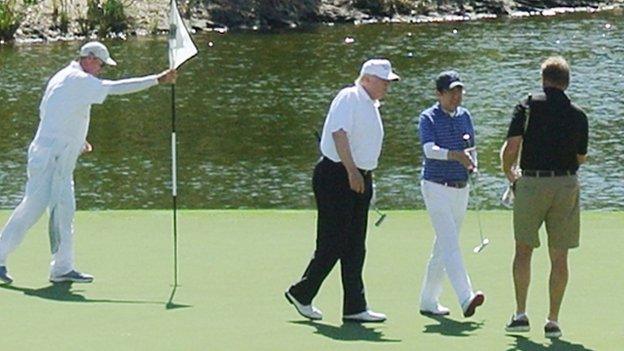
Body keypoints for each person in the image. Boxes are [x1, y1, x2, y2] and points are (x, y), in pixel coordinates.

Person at [0, 41, 177, 284]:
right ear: (90, 59)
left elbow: (50, 111)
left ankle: (62, 267)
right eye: (101, 64)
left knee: (63, 210)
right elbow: (115, 88)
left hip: (57, 155)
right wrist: (157, 79)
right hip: (51, 157)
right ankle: (18, 260)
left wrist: (78, 140)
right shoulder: (78, 80)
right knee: (34, 208)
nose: (102, 70)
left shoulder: (64, 76)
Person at [285, 59, 399, 323]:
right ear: (368, 78)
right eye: (384, 82)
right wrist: (351, 171)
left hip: (358, 177)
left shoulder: (370, 104)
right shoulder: (350, 96)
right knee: (333, 241)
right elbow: (339, 134)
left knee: (355, 246)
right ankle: (302, 293)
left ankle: (354, 307)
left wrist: (364, 175)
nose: (386, 87)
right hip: (337, 176)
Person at [500, 56, 588, 338]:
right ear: (567, 82)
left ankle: (521, 313)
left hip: (532, 182)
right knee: (559, 256)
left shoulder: (527, 106)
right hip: (565, 185)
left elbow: (512, 147)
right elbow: (581, 157)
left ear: (543, 79)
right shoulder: (578, 114)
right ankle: (552, 320)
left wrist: (509, 174)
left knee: (523, 250)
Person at [417, 70, 485, 318]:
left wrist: (472, 165)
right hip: (435, 186)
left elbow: (471, 147)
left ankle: (428, 300)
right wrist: (454, 155)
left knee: (443, 245)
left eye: (459, 91)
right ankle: (466, 297)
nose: (456, 96)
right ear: (439, 94)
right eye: (451, 92)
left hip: (460, 187)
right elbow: (429, 150)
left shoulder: (465, 116)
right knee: (450, 244)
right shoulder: (429, 118)